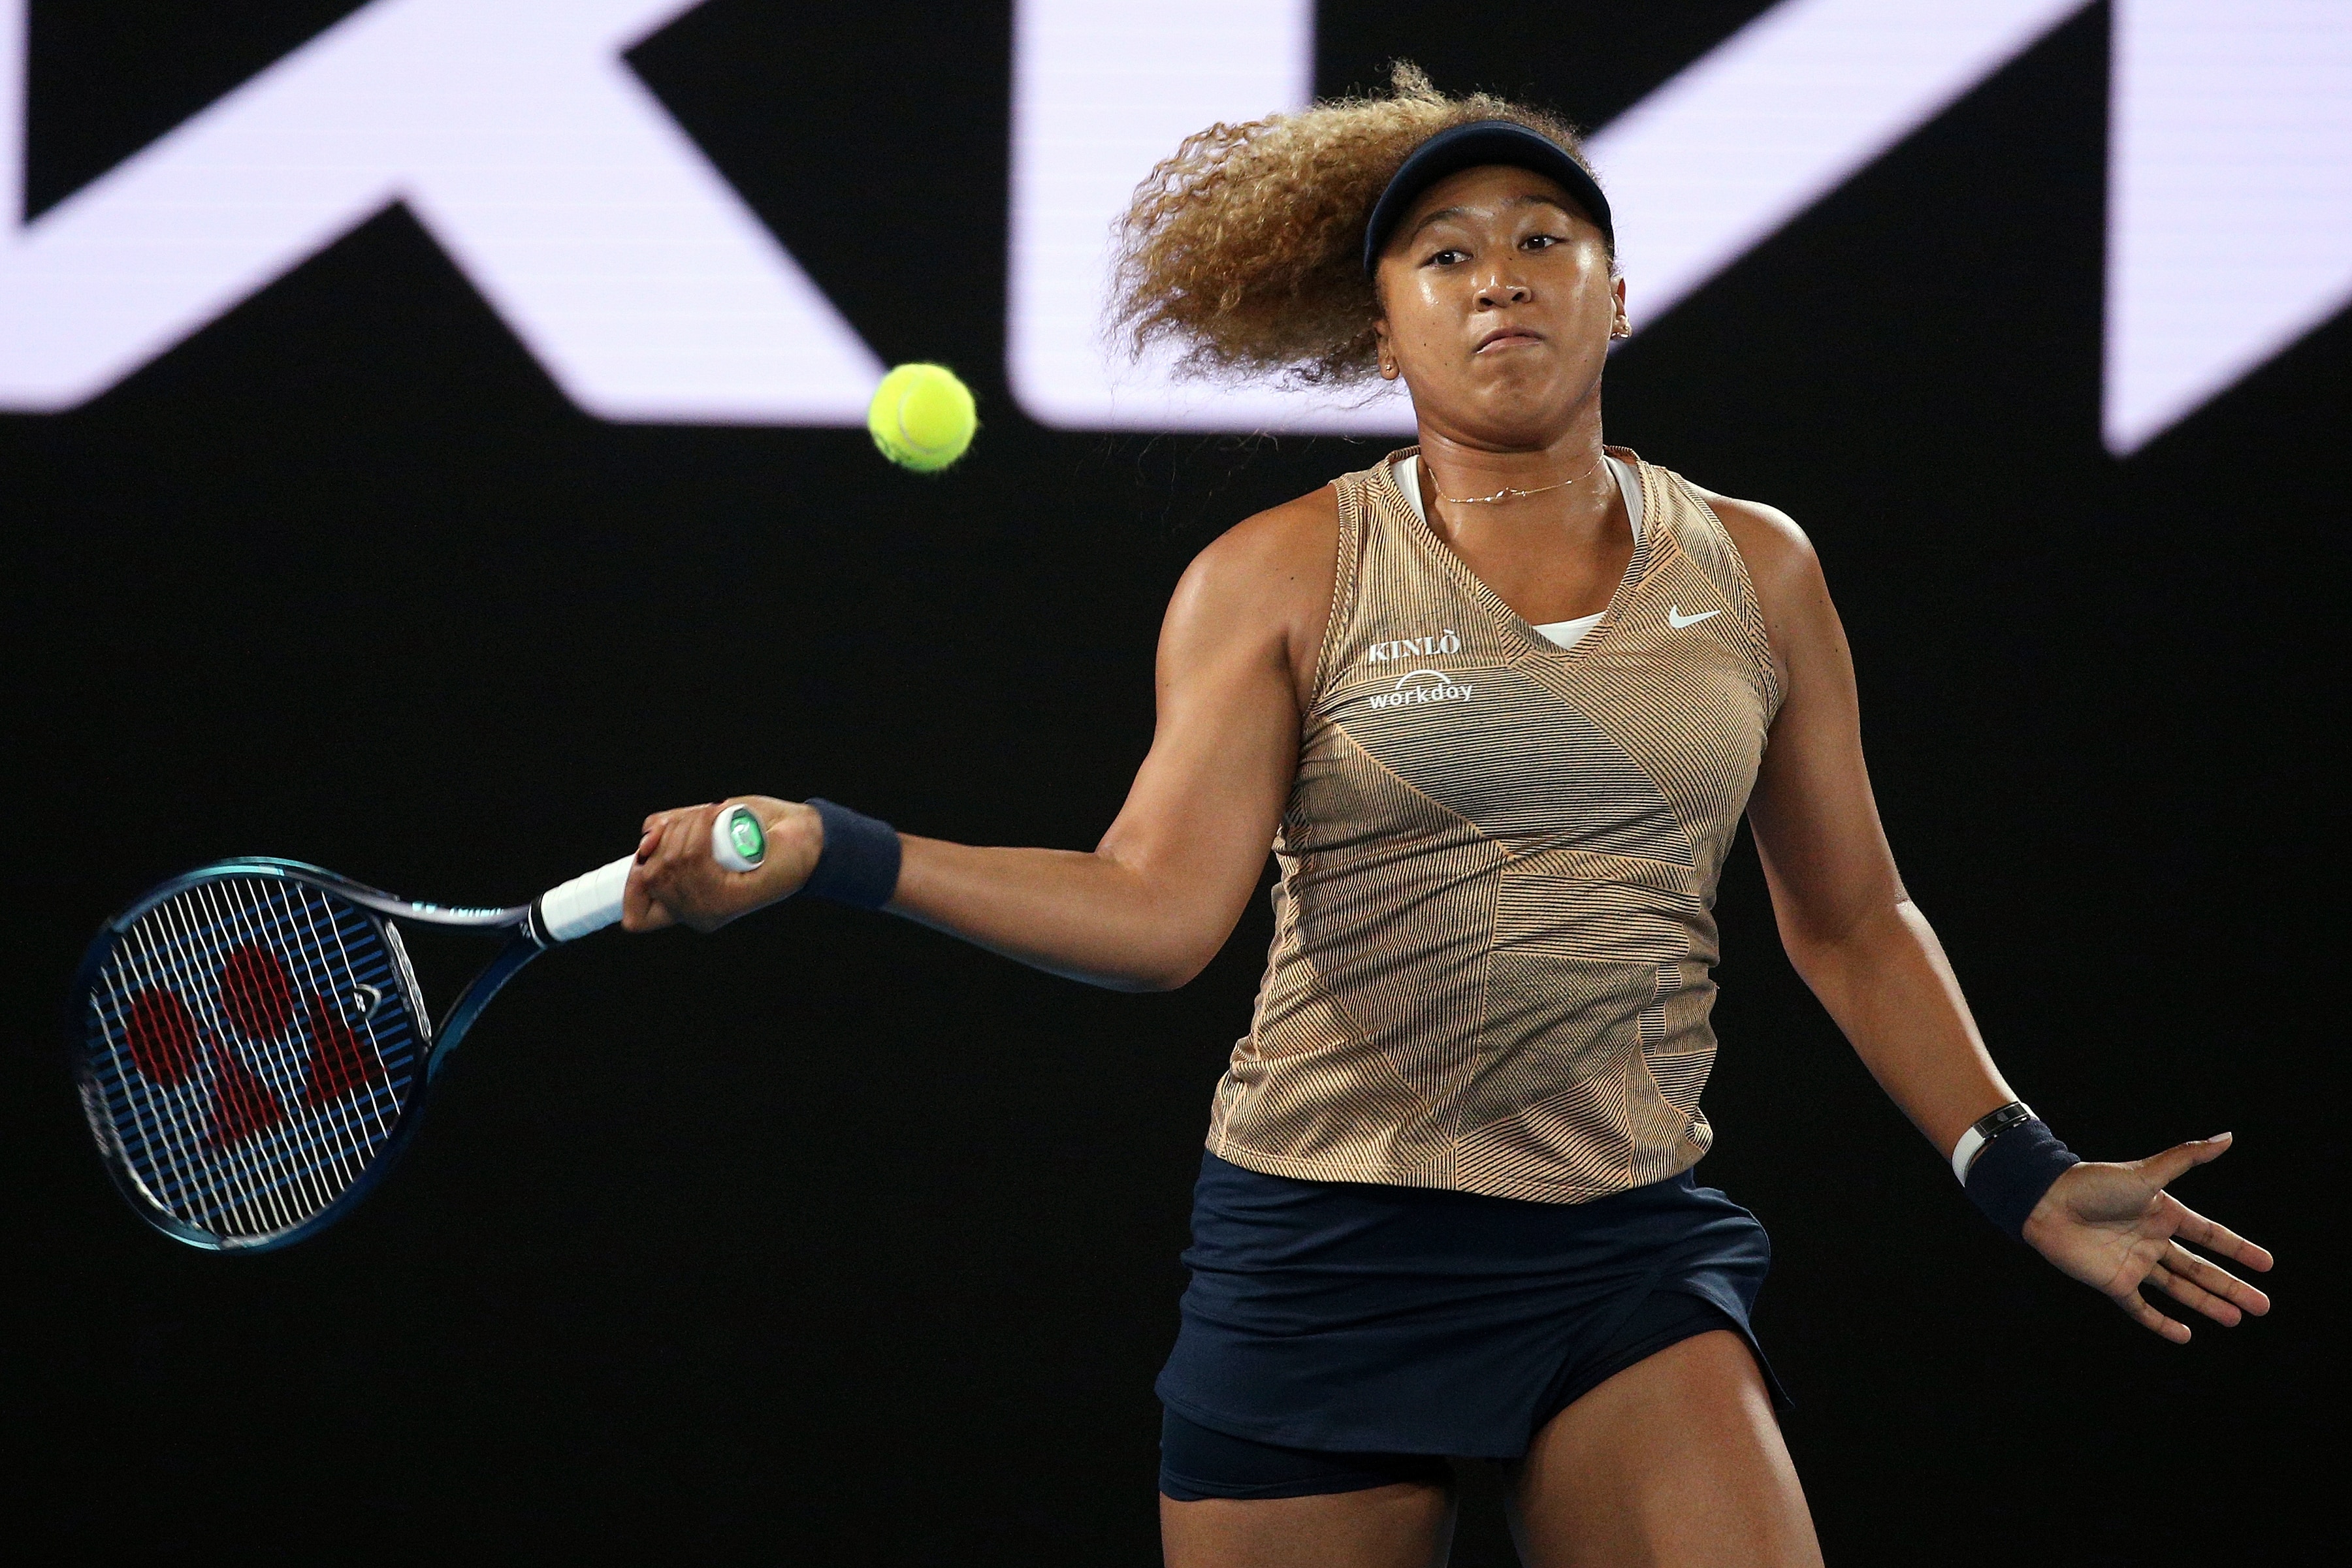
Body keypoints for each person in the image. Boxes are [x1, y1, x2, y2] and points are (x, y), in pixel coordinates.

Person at [620, 67, 2272, 1568]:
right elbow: (1152, 910)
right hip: (1326, 1260)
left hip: (1620, 1250)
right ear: (1382, 332)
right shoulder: (1276, 575)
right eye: (1443, 255)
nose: (1500, 275)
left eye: (1546, 237)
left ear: (1615, 299)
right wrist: (838, 847)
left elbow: (1848, 920)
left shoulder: (1757, 568)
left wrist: (2020, 1167)